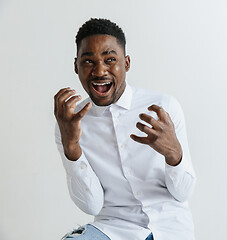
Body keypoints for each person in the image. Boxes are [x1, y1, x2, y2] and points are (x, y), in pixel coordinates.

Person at [54, 18, 196, 240]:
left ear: (127, 63)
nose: (100, 71)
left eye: (110, 59)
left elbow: (183, 192)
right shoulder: (70, 122)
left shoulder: (164, 108)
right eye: (88, 61)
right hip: (112, 229)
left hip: (168, 227)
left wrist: (174, 154)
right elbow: (91, 205)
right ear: (76, 66)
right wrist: (71, 147)